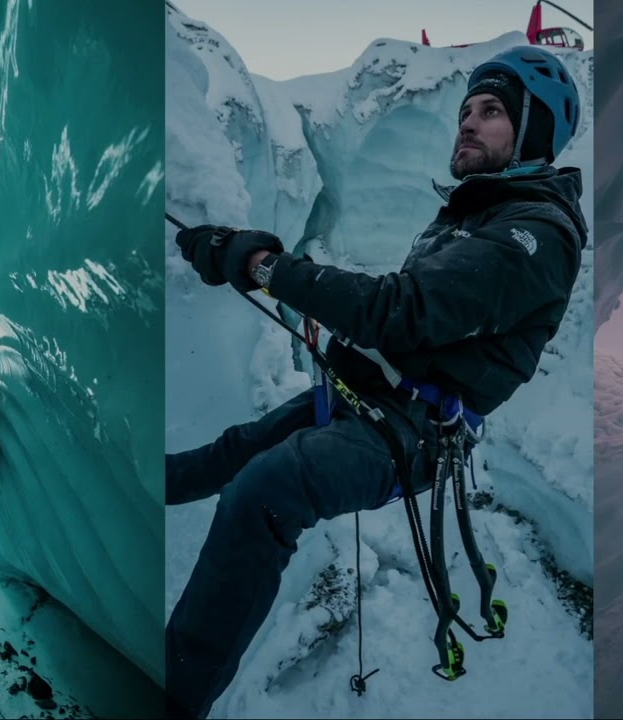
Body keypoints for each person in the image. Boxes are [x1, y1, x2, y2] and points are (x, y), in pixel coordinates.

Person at [166, 45, 585, 719]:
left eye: (492, 111)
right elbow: (416, 327)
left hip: (412, 431)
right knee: (236, 449)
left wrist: (264, 265)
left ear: (534, 133)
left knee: (264, 491)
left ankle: (173, 698)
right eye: (466, 111)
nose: (469, 124)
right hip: (373, 401)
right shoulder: (476, 216)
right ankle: (128, 483)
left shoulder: (536, 234)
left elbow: (404, 309)